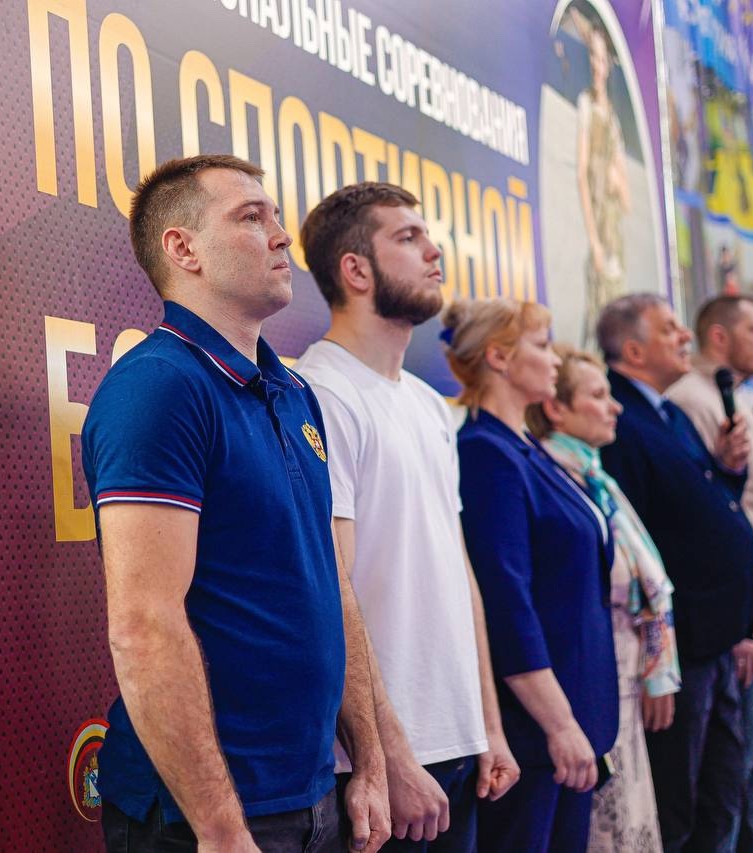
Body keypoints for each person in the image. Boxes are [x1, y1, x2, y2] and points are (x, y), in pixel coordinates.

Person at [80, 154, 389, 853]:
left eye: (275, 216)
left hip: (312, 794)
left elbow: (329, 584)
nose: (281, 235)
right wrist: (220, 830)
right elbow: (144, 624)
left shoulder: (294, 392)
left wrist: (368, 762)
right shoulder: (158, 387)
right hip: (206, 818)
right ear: (183, 249)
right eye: (251, 217)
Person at [294, 182, 520, 851]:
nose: (434, 250)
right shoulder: (322, 392)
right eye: (408, 237)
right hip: (378, 765)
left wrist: (487, 724)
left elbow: (459, 573)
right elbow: (332, 588)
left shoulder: (427, 404)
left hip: (456, 745)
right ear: (356, 270)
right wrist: (387, 756)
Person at [443, 299, 619, 852]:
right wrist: (558, 723)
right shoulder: (485, 454)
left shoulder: (527, 451)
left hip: (571, 715)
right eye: (542, 346)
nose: (555, 360)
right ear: (499, 357)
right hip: (535, 729)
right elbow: (506, 603)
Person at [596, 293, 753, 852]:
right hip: (681, 647)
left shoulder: (668, 414)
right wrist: (658, 659)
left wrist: (727, 469)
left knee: (722, 792)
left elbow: (702, 511)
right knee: (680, 806)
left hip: (716, 640)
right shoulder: (620, 420)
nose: (685, 337)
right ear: (634, 350)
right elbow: (640, 547)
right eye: (670, 329)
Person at [664, 295, 753, 852]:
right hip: (742, 609)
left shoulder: (736, 400)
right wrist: (744, 618)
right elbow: (714, 518)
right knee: (733, 760)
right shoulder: (692, 401)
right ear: (719, 336)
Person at [526, 345, 681, 852]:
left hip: (624, 672)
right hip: (589, 672)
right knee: (603, 827)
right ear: (556, 407)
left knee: (631, 817)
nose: (614, 407)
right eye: (598, 395)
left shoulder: (595, 476)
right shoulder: (549, 477)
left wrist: (657, 665)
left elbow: (644, 576)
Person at [571, 9, 630, 340]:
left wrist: (616, 178)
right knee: (597, 316)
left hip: (613, 232)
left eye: (601, 58)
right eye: (592, 56)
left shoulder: (613, 119)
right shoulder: (586, 105)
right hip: (599, 234)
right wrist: (593, 241)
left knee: (615, 315)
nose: (596, 65)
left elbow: (626, 199)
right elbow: (581, 176)